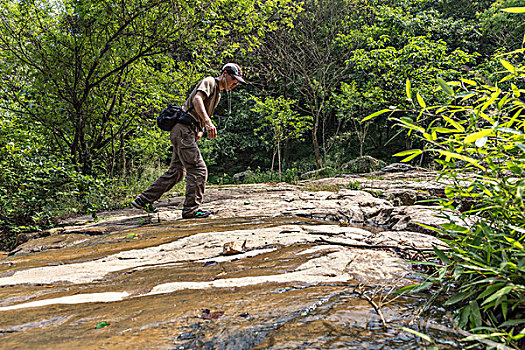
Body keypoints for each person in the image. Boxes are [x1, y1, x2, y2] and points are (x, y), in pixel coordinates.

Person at [131, 63, 245, 218]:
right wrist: (207, 123)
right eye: (234, 79)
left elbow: (202, 111)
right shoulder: (210, 82)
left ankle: (144, 200)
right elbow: (197, 100)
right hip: (183, 130)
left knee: (177, 172)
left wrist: (200, 130)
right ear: (225, 74)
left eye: (237, 82)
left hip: (187, 131)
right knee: (198, 169)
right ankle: (191, 210)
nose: (235, 84)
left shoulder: (218, 93)